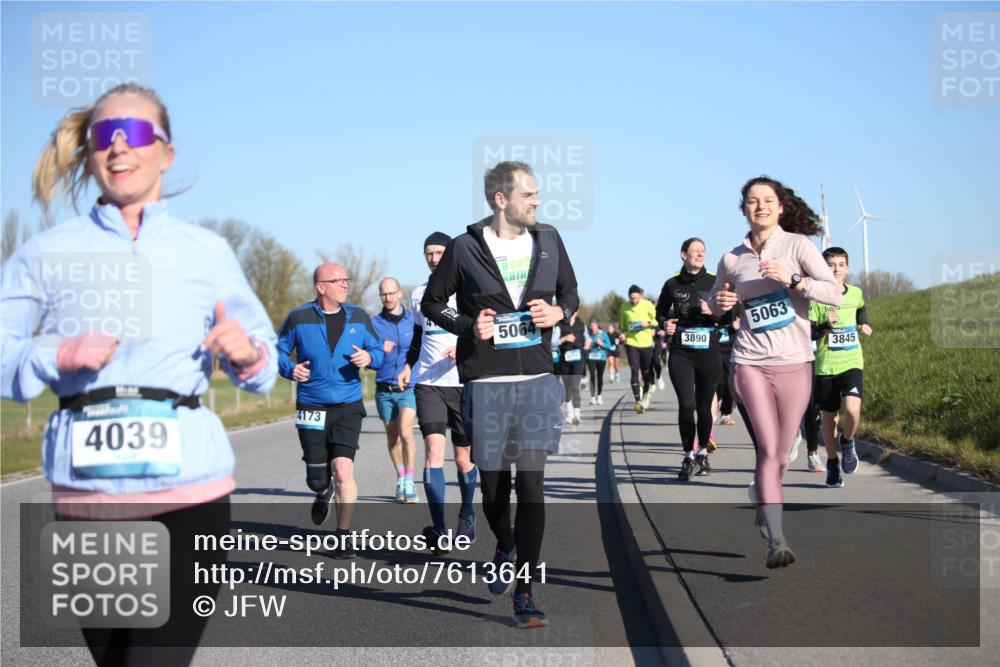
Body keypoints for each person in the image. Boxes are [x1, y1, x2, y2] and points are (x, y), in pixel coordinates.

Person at [1, 84, 277, 666]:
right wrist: (58, 356)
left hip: (191, 495)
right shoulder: (44, 253)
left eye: (136, 133)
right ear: (89, 152)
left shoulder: (206, 252)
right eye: (104, 135)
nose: (119, 146)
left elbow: (266, 367)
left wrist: (248, 355)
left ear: (166, 153)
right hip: (88, 500)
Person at [422, 160, 578, 629]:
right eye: (529, 194)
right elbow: (433, 302)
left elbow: (571, 293)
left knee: (531, 484)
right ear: (500, 199)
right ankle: (504, 542)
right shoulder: (465, 247)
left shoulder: (549, 240)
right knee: (494, 489)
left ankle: (525, 592)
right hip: (485, 383)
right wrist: (471, 325)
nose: (536, 201)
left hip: (535, 379)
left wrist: (560, 314)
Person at [711, 175, 841, 569]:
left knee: (782, 454)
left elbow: (834, 291)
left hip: (795, 363)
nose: (760, 206)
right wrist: (719, 301)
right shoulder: (733, 258)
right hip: (749, 362)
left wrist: (795, 280)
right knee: (768, 449)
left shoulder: (798, 246)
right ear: (744, 209)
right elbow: (715, 304)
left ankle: (762, 495)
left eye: (768, 200)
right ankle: (777, 540)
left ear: (780, 207)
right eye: (753, 201)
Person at [277, 262, 383, 550]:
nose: (345, 284)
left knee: (344, 471)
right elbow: (277, 350)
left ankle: (343, 535)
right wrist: (290, 368)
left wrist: (370, 359)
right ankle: (321, 492)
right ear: (320, 287)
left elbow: (378, 351)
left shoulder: (359, 317)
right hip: (311, 404)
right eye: (337, 280)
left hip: (348, 405)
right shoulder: (298, 318)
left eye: (346, 279)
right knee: (318, 478)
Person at [397, 232, 478, 552]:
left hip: (463, 383)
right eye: (428, 253)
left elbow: (483, 329)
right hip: (428, 383)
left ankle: (467, 513)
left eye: (439, 252)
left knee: (463, 458)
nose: (433, 258)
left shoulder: (468, 291)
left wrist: (465, 347)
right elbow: (418, 334)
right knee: (433, 451)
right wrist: (407, 365)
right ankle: (440, 528)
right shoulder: (419, 294)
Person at [658, 238, 732, 481]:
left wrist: (715, 312)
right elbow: (660, 312)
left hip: (708, 351)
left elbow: (729, 317)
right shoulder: (672, 284)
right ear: (683, 255)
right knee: (687, 405)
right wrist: (665, 323)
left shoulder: (714, 282)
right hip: (681, 353)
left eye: (703, 250)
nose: (700, 254)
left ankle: (702, 453)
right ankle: (688, 454)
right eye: (695, 251)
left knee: (703, 407)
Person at [809, 247, 873, 488]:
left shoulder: (855, 292)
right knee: (829, 420)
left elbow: (861, 308)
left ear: (847, 268)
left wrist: (863, 323)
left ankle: (847, 441)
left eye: (840, 264)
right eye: (831, 264)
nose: (836, 269)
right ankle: (833, 463)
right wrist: (826, 324)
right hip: (825, 367)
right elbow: (811, 332)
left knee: (853, 411)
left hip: (851, 363)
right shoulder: (815, 297)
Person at [372, 277, 419, 503]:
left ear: (400, 293)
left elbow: (421, 348)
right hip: (384, 389)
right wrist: (378, 349)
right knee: (392, 437)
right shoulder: (374, 324)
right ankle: (400, 478)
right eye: (384, 294)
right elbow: (365, 355)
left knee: (406, 433)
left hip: (407, 388)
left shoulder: (413, 321)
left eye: (391, 293)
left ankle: (410, 481)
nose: (388, 297)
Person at [619, 285, 657, 413]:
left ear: (640, 296)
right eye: (631, 298)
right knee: (634, 370)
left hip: (646, 343)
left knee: (646, 372)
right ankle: (637, 401)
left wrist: (648, 323)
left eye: (636, 298)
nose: (634, 301)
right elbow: (623, 326)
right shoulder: (624, 307)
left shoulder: (647, 305)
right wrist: (623, 333)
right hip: (631, 343)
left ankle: (646, 395)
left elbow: (657, 320)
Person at [556, 310, 586, 425]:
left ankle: (577, 413)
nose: (571, 314)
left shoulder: (581, 324)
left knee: (575, 385)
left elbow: (588, 337)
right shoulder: (560, 325)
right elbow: (553, 342)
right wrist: (564, 339)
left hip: (578, 359)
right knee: (567, 387)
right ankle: (569, 413)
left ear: (576, 312)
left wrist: (588, 342)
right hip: (565, 359)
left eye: (573, 312)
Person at [584, 319, 610, 405]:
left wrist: (601, 344)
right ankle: (592, 397)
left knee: (600, 377)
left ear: (597, 326)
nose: (593, 327)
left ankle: (599, 396)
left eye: (594, 325)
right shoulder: (587, 334)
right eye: (591, 326)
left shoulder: (603, 334)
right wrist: (586, 345)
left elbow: (609, 346)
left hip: (601, 357)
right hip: (591, 357)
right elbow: (583, 345)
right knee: (592, 376)